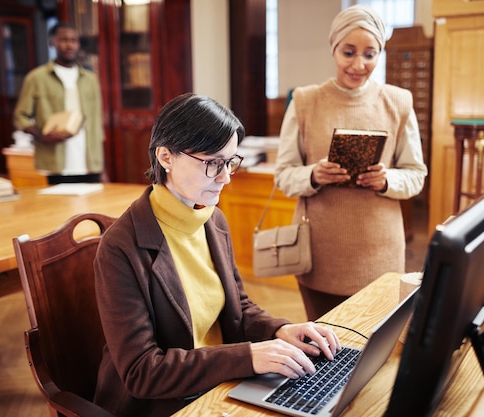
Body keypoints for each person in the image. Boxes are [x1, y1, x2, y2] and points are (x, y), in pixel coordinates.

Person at [92, 93, 341, 417]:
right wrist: (248, 357)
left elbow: (238, 306)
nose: (225, 177)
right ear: (165, 156)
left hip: (219, 381)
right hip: (165, 402)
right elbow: (143, 372)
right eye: (213, 163)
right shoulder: (120, 248)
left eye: (230, 162)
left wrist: (279, 330)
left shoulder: (213, 219)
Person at [274, 5, 427, 321]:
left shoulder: (398, 102)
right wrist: (314, 174)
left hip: (381, 253)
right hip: (320, 253)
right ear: (334, 50)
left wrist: (386, 180)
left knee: (373, 348)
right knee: (325, 349)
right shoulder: (305, 101)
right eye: (349, 52)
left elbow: (416, 175)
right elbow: (283, 175)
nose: (359, 64)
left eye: (370, 54)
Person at [13, 22, 104, 184]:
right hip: (56, 161)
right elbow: (20, 117)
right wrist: (42, 136)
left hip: (90, 162)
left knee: (93, 208)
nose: (69, 45)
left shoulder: (90, 79)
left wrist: (103, 167)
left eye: (74, 40)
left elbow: (97, 124)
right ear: (52, 42)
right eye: (64, 40)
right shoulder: (36, 78)